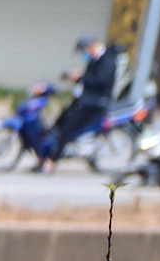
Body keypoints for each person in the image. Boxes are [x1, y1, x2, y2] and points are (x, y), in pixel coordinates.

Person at [40, 36, 120, 172]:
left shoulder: (107, 60)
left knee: (67, 129)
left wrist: (81, 77)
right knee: (58, 123)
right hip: (83, 100)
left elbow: (101, 81)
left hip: (94, 104)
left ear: (92, 46)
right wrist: (75, 78)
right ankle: (44, 156)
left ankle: (52, 162)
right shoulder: (95, 60)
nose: (84, 55)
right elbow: (90, 79)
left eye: (85, 51)